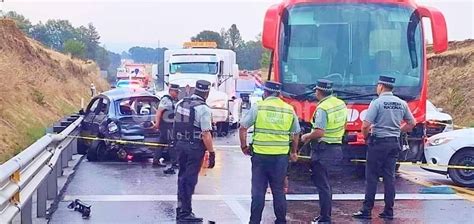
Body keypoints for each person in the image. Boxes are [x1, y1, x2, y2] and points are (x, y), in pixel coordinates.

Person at [352, 76, 415, 220]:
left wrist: (367, 137)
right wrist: (399, 131)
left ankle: (367, 210)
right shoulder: (401, 103)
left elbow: (365, 125)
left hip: (378, 143)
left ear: (381, 86)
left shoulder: (377, 103)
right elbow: (412, 123)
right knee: (389, 177)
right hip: (394, 143)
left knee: (372, 177)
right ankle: (389, 210)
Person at [239, 81, 300, 224]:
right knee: (278, 191)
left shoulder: (259, 107)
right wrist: (293, 152)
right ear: (279, 94)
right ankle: (280, 221)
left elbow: (243, 127)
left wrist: (244, 146)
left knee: (258, 192)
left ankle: (254, 221)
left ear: (265, 93)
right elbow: (296, 132)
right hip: (280, 158)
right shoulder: (288, 109)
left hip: (260, 156)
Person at [301, 79, 348, 223]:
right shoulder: (340, 103)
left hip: (323, 150)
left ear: (319, 92)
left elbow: (319, 132)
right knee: (327, 184)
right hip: (336, 148)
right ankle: (324, 215)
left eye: (316, 90)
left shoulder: (323, 108)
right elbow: (344, 124)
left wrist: (306, 136)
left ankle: (325, 218)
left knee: (323, 186)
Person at [173, 80, 216, 222]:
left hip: (180, 144)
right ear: (207, 92)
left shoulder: (181, 103)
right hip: (194, 147)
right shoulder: (203, 109)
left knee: (182, 178)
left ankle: (181, 209)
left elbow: (175, 124)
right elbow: (206, 134)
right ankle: (185, 213)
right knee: (189, 180)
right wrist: (212, 152)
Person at [152, 84, 180, 173]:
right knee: (172, 144)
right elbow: (159, 112)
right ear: (171, 91)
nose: (177, 94)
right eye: (176, 92)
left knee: (161, 143)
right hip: (166, 126)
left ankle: (156, 161)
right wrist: (157, 124)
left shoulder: (171, 101)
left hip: (168, 125)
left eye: (177, 92)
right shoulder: (166, 100)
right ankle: (175, 163)